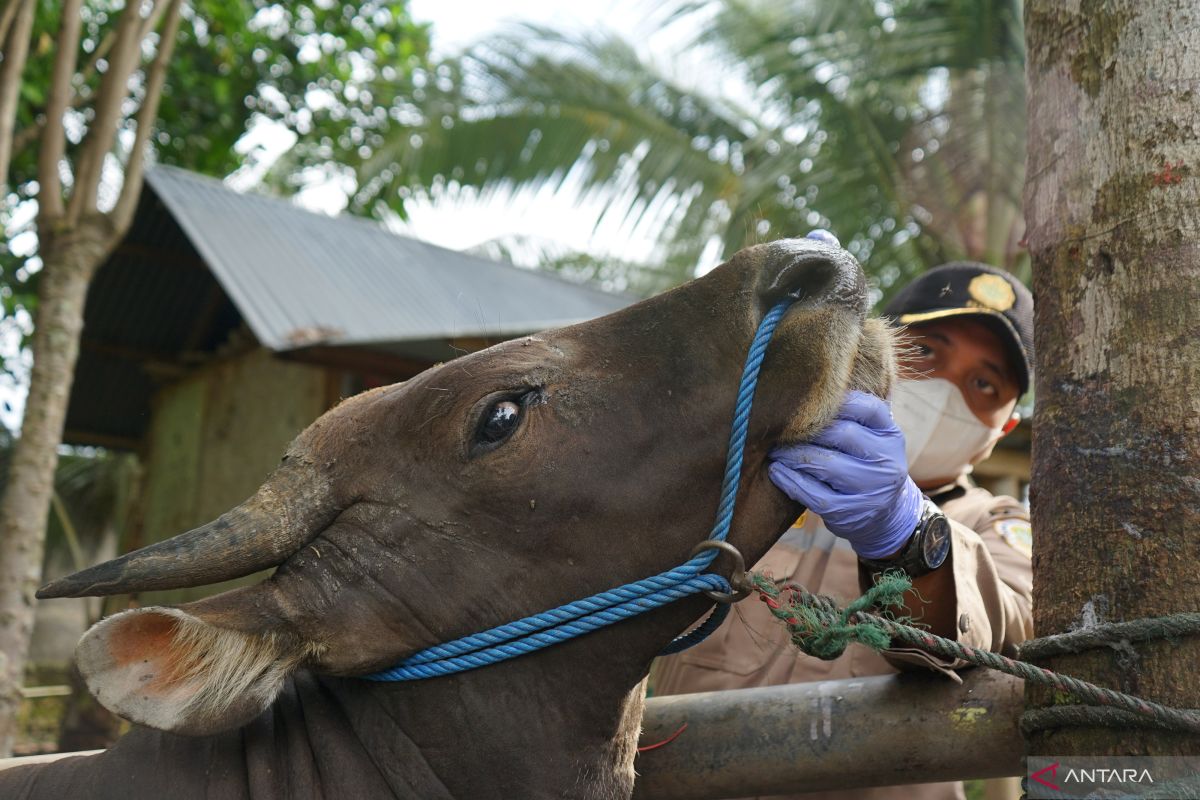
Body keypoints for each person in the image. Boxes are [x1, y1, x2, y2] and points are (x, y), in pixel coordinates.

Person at [652, 253, 1035, 800]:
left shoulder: (998, 525)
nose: (946, 389)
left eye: (983, 383)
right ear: (872, 351)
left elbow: (1014, 624)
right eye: (925, 352)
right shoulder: (752, 467)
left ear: (1006, 425)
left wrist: (910, 536)